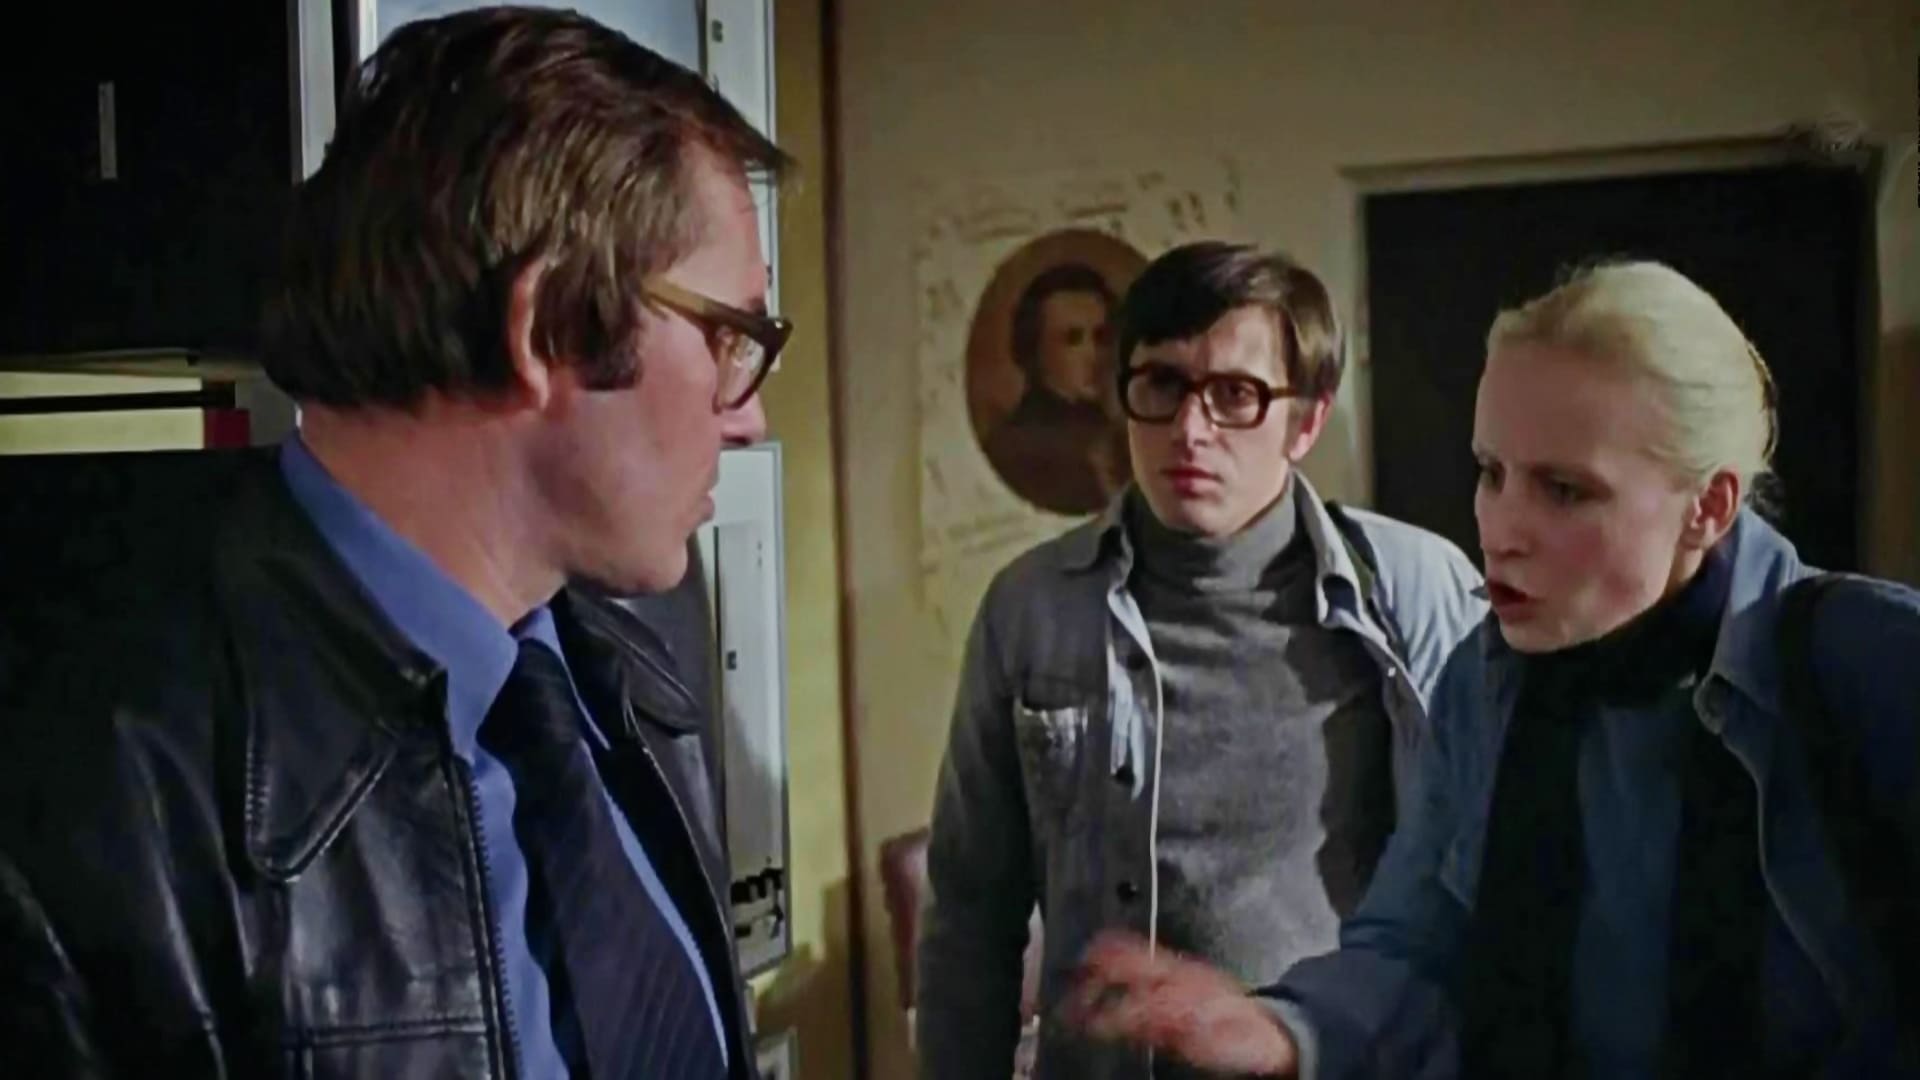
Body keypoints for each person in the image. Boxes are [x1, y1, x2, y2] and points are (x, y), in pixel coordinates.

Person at [0, 7, 791, 1078]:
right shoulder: (93, 816)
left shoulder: (646, 647)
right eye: (730, 337)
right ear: (547, 328)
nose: (749, 416)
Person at [1063, 260, 1920, 1078]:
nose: (1500, 529)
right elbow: (1417, 945)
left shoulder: (1871, 663)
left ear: (1709, 505)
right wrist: (1282, 1030)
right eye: (1491, 472)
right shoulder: (1486, 681)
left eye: (1564, 490)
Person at [918, 242, 1487, 1079]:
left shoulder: (1413, 589)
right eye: (1162, 385)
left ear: (1306, 422)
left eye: (1235, 395)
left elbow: (1478, 890)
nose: (1190, 430)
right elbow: (970, 916)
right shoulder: (1033, 610)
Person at [982, 262, 1133, 514]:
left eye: (1101, 337)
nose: (1094, 355)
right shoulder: (1014, 448)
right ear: (1034, 350)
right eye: (1072, 339)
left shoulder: (1118, 431)